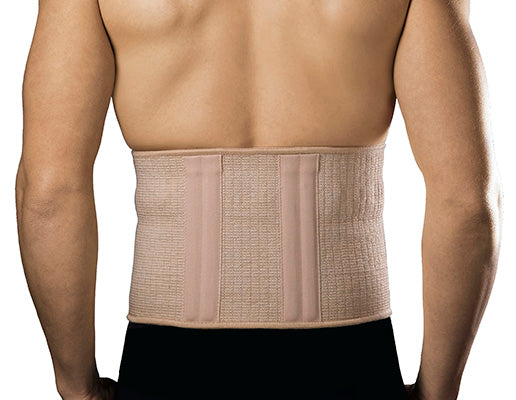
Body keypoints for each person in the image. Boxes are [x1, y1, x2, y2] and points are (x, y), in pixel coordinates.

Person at [15, 0, 503, 399]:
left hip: (168, 365)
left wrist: (76, 384)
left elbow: (48, 192)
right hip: (351, 363)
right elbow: (466, 203)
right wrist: (439, 390)